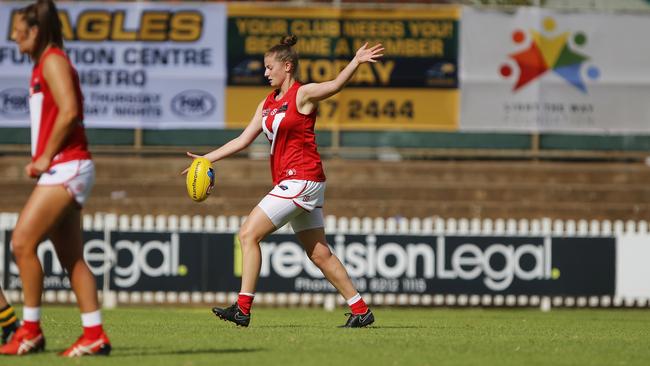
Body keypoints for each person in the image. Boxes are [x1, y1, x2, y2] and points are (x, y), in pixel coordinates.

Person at [185, 35, 383, 328]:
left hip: (300, 179)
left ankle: (243, 308)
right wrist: (206, 159)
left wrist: (355, 61)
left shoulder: (302, 94)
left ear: (287, 66)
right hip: (300, 183)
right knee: (319, 253)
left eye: (269, 67)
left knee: (248, 235)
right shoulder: (266, 103)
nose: (265, 73)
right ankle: (360, 309)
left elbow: (334, 85)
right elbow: (243, 139)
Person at [0, 0, 110, 356]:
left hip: (66, 164)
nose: (15, 42)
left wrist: (45, 155)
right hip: (67, 166)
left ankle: (29, 331)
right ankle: (93, 334)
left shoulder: (52, 60)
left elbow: (70, 110)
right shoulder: (44, 62)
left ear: (35, 31)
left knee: (21, 243)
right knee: (72, 259)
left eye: (18, 35)